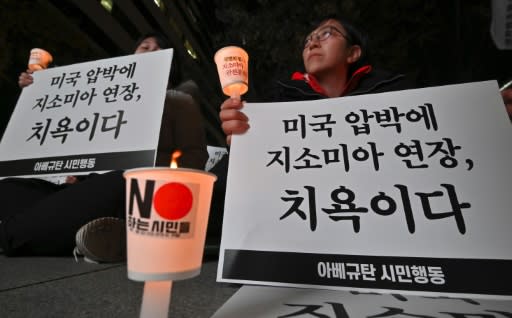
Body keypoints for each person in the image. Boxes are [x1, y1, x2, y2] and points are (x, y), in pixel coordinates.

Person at [0, 32, 208, 261]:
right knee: (9, 189)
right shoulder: (102, 95)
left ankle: (19, 234)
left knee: (122, 181)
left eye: (159, 48)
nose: (150, 51)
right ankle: (88, 234)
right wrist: (39, 88)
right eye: (144, 47)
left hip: (136, 187)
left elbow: (194, 154)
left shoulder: (180, 100)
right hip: (84, 185)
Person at [219, 14, 414, 145]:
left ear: (352, 53)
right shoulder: (277, 100)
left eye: (326, 34)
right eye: (308, 40)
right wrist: (243, 141)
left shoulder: (395, 92)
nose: (312, 43)